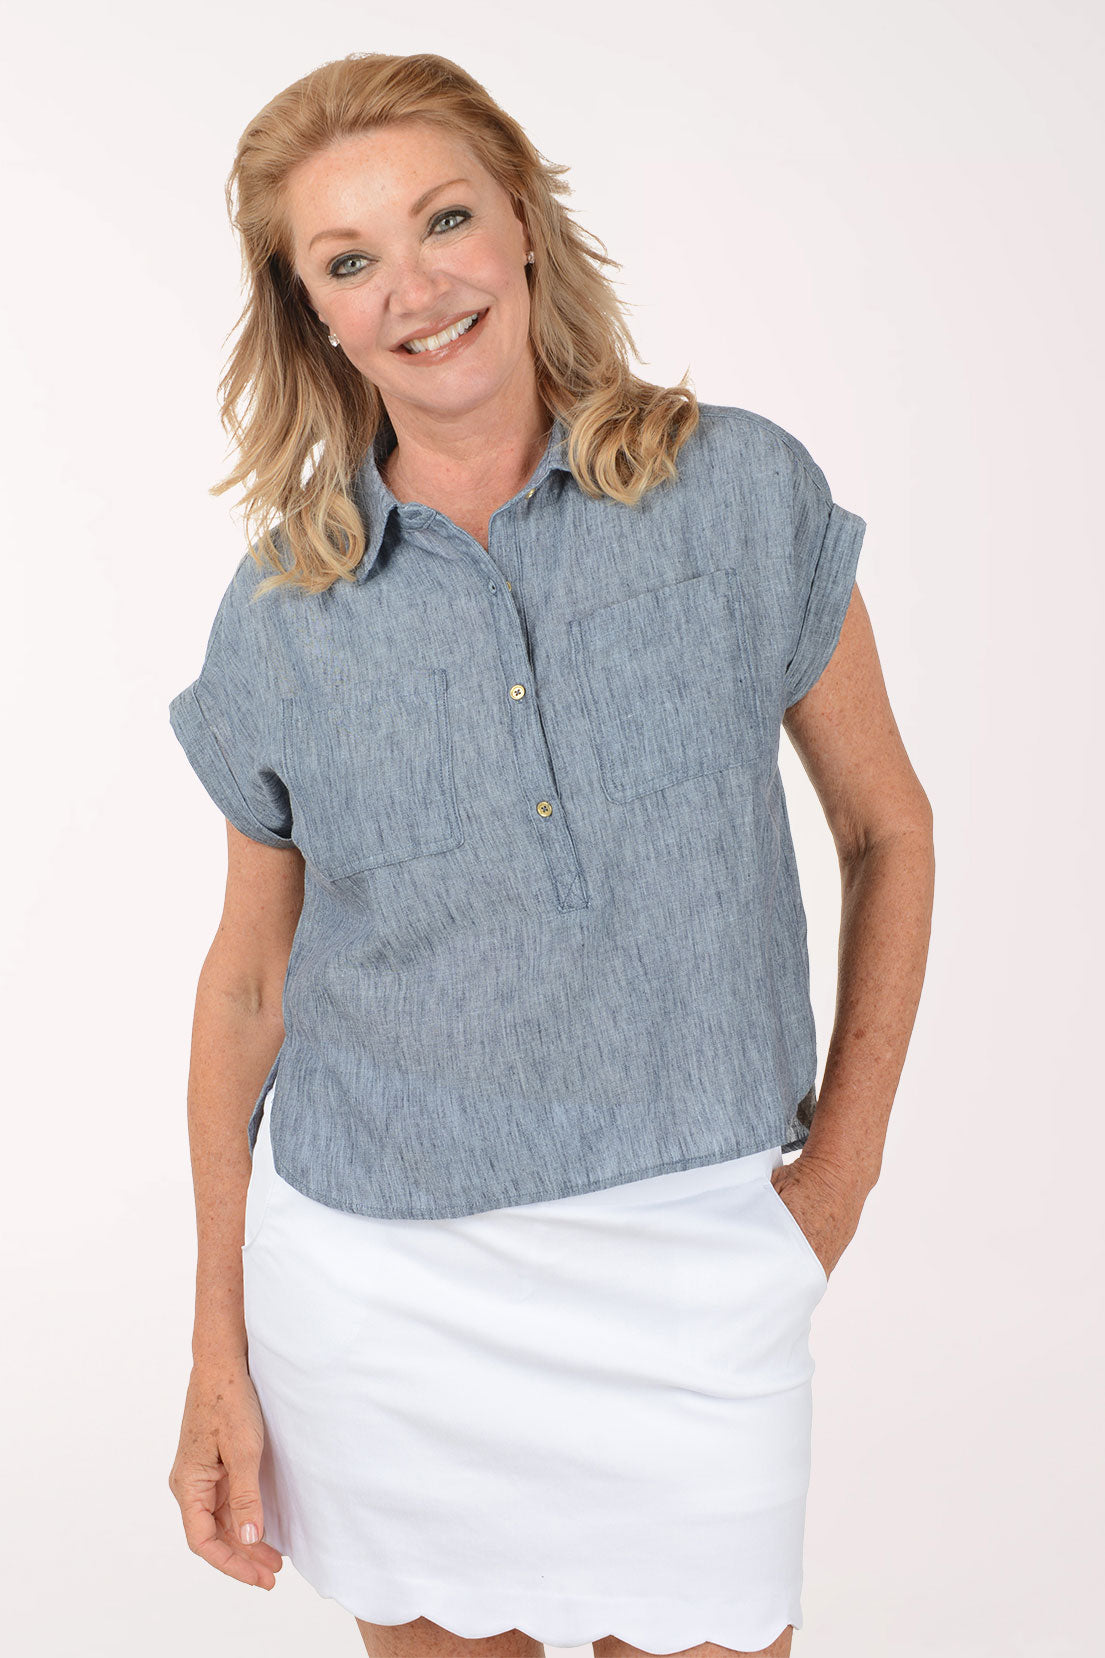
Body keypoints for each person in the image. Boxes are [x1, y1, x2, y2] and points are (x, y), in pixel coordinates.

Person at [166, 50, 935, 1658]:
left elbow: (886, 827)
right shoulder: (282, 611)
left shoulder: (734, 491)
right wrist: (217, 1347)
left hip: (698, 1270)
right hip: (381, 1291)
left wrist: (834, 1184)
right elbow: (248, 986)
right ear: (311, 311)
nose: (415, 287)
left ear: (522, 222)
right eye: (350, 260)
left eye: (444, 219)